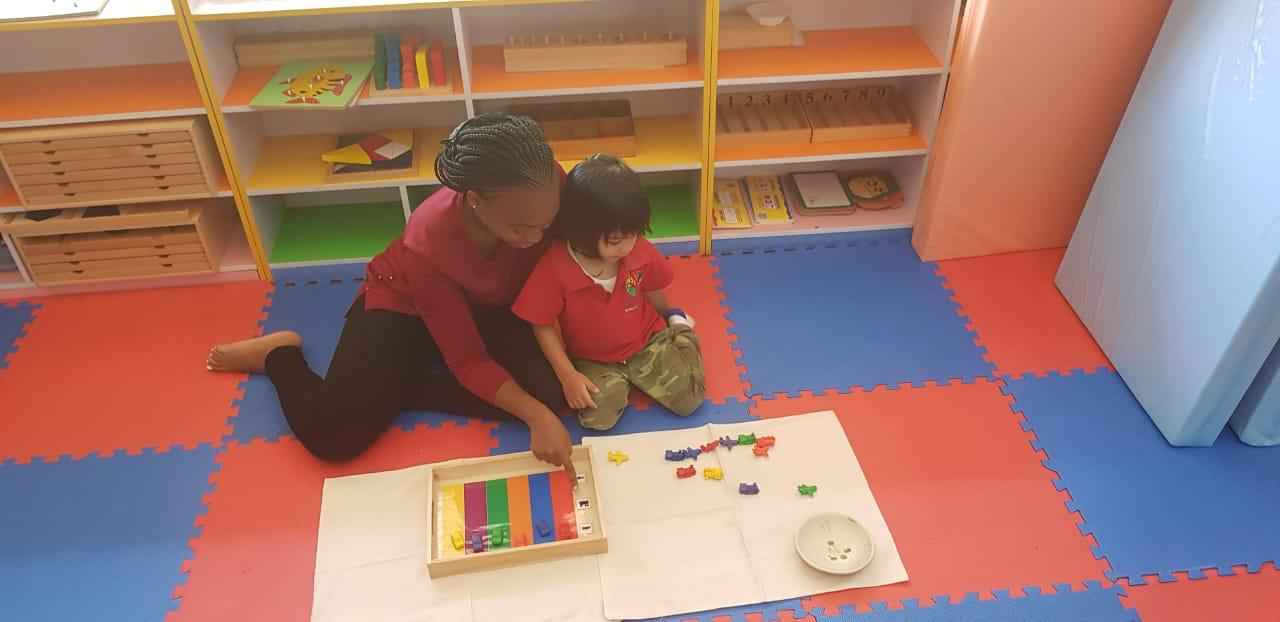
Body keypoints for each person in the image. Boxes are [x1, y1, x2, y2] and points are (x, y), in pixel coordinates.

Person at [207, 113, 576, 479]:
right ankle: (278, 355)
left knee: (554, 392)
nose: (536, 238)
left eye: (545, 224)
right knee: (333, 436)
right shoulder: (428, 242)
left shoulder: (546, 180)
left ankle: (404, 385)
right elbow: (468, 360)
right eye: (521, 228)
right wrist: (535, 416)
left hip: (490, 301)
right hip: (405, 306)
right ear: (475, 200)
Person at [512, 154, 705, 431]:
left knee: (690, 399)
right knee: (597, 420)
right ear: (582, 231)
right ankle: (625, 379)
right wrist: (567, 375)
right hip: (593, 359)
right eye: (615, 240)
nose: (627, 246)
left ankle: (681, 331)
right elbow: (541, 324)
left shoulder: (638, 252)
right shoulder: (554, 266)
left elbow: (650, 287)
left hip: (646, 343)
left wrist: (670, 315)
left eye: (633, 234)